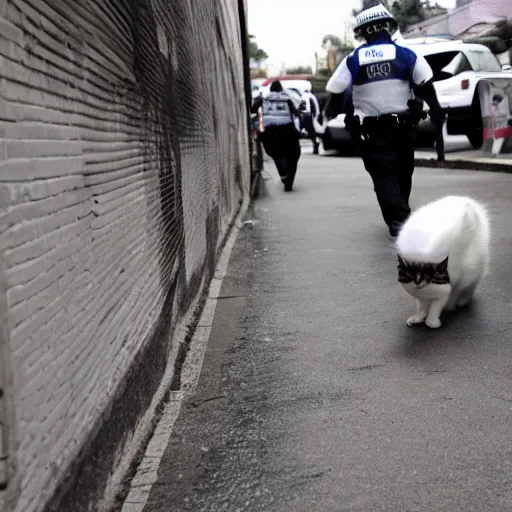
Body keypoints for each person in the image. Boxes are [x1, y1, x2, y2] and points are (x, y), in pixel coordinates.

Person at [325, 3, 444, 237]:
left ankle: (398, 218)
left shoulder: (353, 58)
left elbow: (336, 90)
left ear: (363, 32)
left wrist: (336, 112)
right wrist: (437, 111)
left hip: (371, 131)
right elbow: (426, 84)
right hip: (403, 127)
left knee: (383, 175)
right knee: (402, 173)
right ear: (388, 28)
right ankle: (400, 218)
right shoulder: (406, 54)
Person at [251, 81, 302, 192]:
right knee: (293, 154)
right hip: (287, 129)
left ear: (271, 90)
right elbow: (296, 113)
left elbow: (252, 109)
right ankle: (288, 179)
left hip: (270, 131)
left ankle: (283, 174)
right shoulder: (286, 99)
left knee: (275, 154)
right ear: (280, 89)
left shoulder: (263, 99)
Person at [300, 86, 322, 154]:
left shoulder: (302, 96)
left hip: (302, 114)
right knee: (312, 132)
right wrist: (315, 117)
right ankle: (315, 145)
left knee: (299, 130)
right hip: (309, 115)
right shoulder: (312, 96)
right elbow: (315, 108)